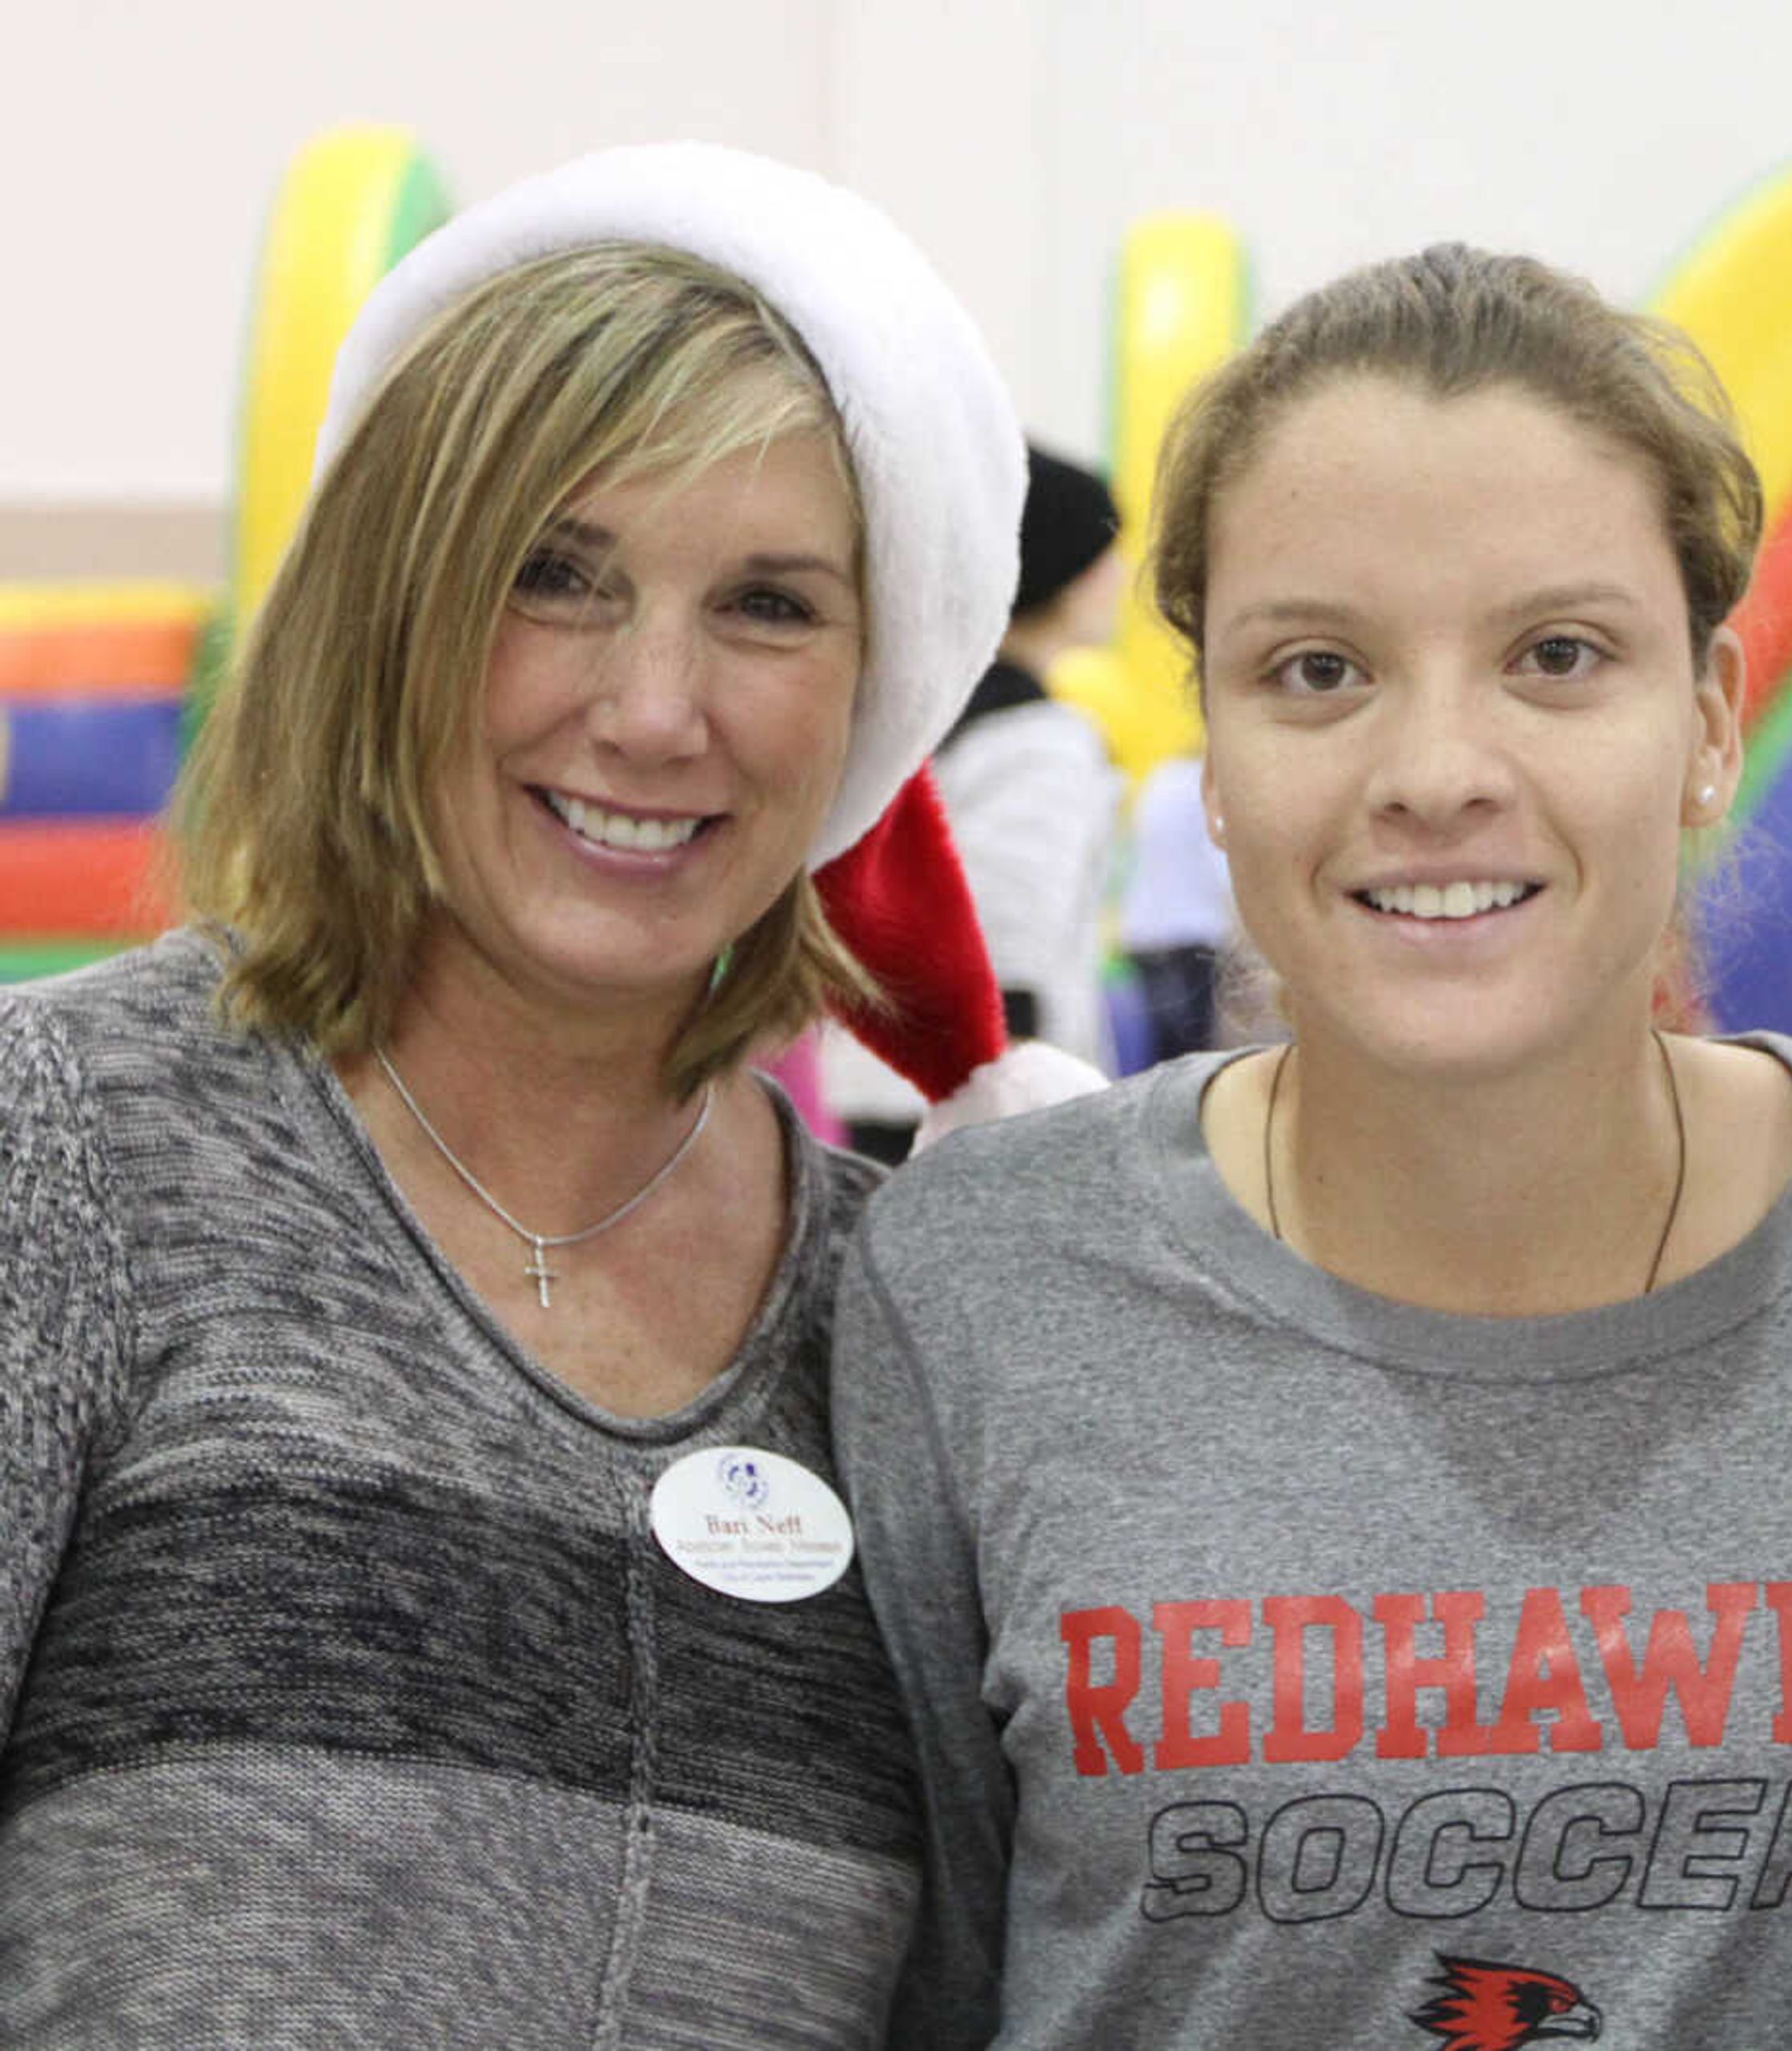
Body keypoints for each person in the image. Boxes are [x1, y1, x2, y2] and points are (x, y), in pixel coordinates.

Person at [831, 243, 1792, 2048]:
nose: (1437, 765)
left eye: (1557, 654)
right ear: (1209, 753)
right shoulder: (979, 1271)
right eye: (1318, 667)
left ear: (1708, 721)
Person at [0, 142, 1051, 2045]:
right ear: (390, 607)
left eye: (768, 605)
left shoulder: (911, 1317)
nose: (654, 707)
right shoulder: (68, 1148)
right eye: (554, 575)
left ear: (871, 696)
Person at [827, 444, 1129, 1155]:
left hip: (881, 1081)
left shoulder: (915, 718)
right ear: (1065, 570)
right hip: (976, 1104)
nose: (1121, 578)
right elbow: (1005, 947)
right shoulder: (1039, 738)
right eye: (1107, 553)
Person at [1116, 747, 1237, 1063]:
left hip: (1142, 929)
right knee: (1191, 1046)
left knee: (1158, 1042)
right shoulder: (1206, 790)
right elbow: (1220, 865)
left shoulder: (1159, 780)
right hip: (1192, 932)